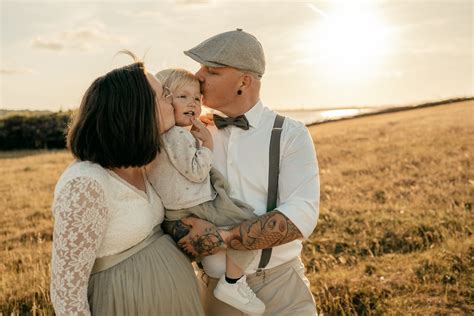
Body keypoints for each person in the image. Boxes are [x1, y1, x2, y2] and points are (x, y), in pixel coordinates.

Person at [175, 29, 320, 315]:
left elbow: (301, 213)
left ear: (244, 81)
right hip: (212, 292)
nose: (198, 76)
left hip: (280, 289)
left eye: (212, 70)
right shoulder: (189, 134)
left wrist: (224, 237)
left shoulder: (290, 133)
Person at [50, 52, 204, 315]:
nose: (172, 103)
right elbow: (67, 294)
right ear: (137, 111)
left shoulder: (147, 166)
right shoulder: (87, 184)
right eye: (163, 96)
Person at [147, 68, 265, 315]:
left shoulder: (157, 137)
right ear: (166, 100)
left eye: (197, 99)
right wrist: (207, 146)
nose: (192, 103)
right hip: (194, 204)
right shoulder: (177, 135)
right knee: (249, 225)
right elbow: (197, 172)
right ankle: (233, 283)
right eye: (183, 97)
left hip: (178, 206)